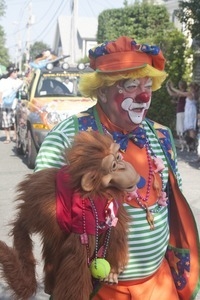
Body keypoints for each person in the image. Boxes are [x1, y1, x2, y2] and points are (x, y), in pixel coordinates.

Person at [35, 36, 200, 299]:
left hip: (159, 283)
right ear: (102, 90)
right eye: (131, 86)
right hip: (97, 288)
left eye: (147, 85)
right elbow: (44, 214)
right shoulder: (67, 136)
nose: (144, 96)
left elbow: (170, 204)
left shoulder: (161, 135)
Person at [168, 81, 199, 151]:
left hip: (190, 111)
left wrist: (172, 88)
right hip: (190, 110)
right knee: (190, 128)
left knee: (191, 128)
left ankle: (190, 143)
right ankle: (191, 144)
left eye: (190, 87)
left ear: (193, 88)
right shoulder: (195, 94)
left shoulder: (190, 93)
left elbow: (181, 93)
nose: (189, 89)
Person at [0, 64, 23, 143]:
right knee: (5, 122)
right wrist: (0, 102)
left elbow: (26, 81)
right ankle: (8, 138)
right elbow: (1, 92)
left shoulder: (19, 82)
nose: (16, 73)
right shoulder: (3, 81)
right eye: (15, 72)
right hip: (4, 104)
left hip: (15, 104)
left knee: (15, 121)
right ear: (11, 72)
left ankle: (15, 135)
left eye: (17, 71)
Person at [166, 80, 187, 151]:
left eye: (180, 84)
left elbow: (174, 94)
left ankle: (185, 145)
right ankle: (183, 146)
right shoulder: (180, 93)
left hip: (182, 112)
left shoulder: (184, 92)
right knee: (179, 129)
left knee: (181, 129)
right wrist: (168, 87)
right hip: (179, 111)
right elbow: (172, 94)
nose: (179, 86)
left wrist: (171, 87)